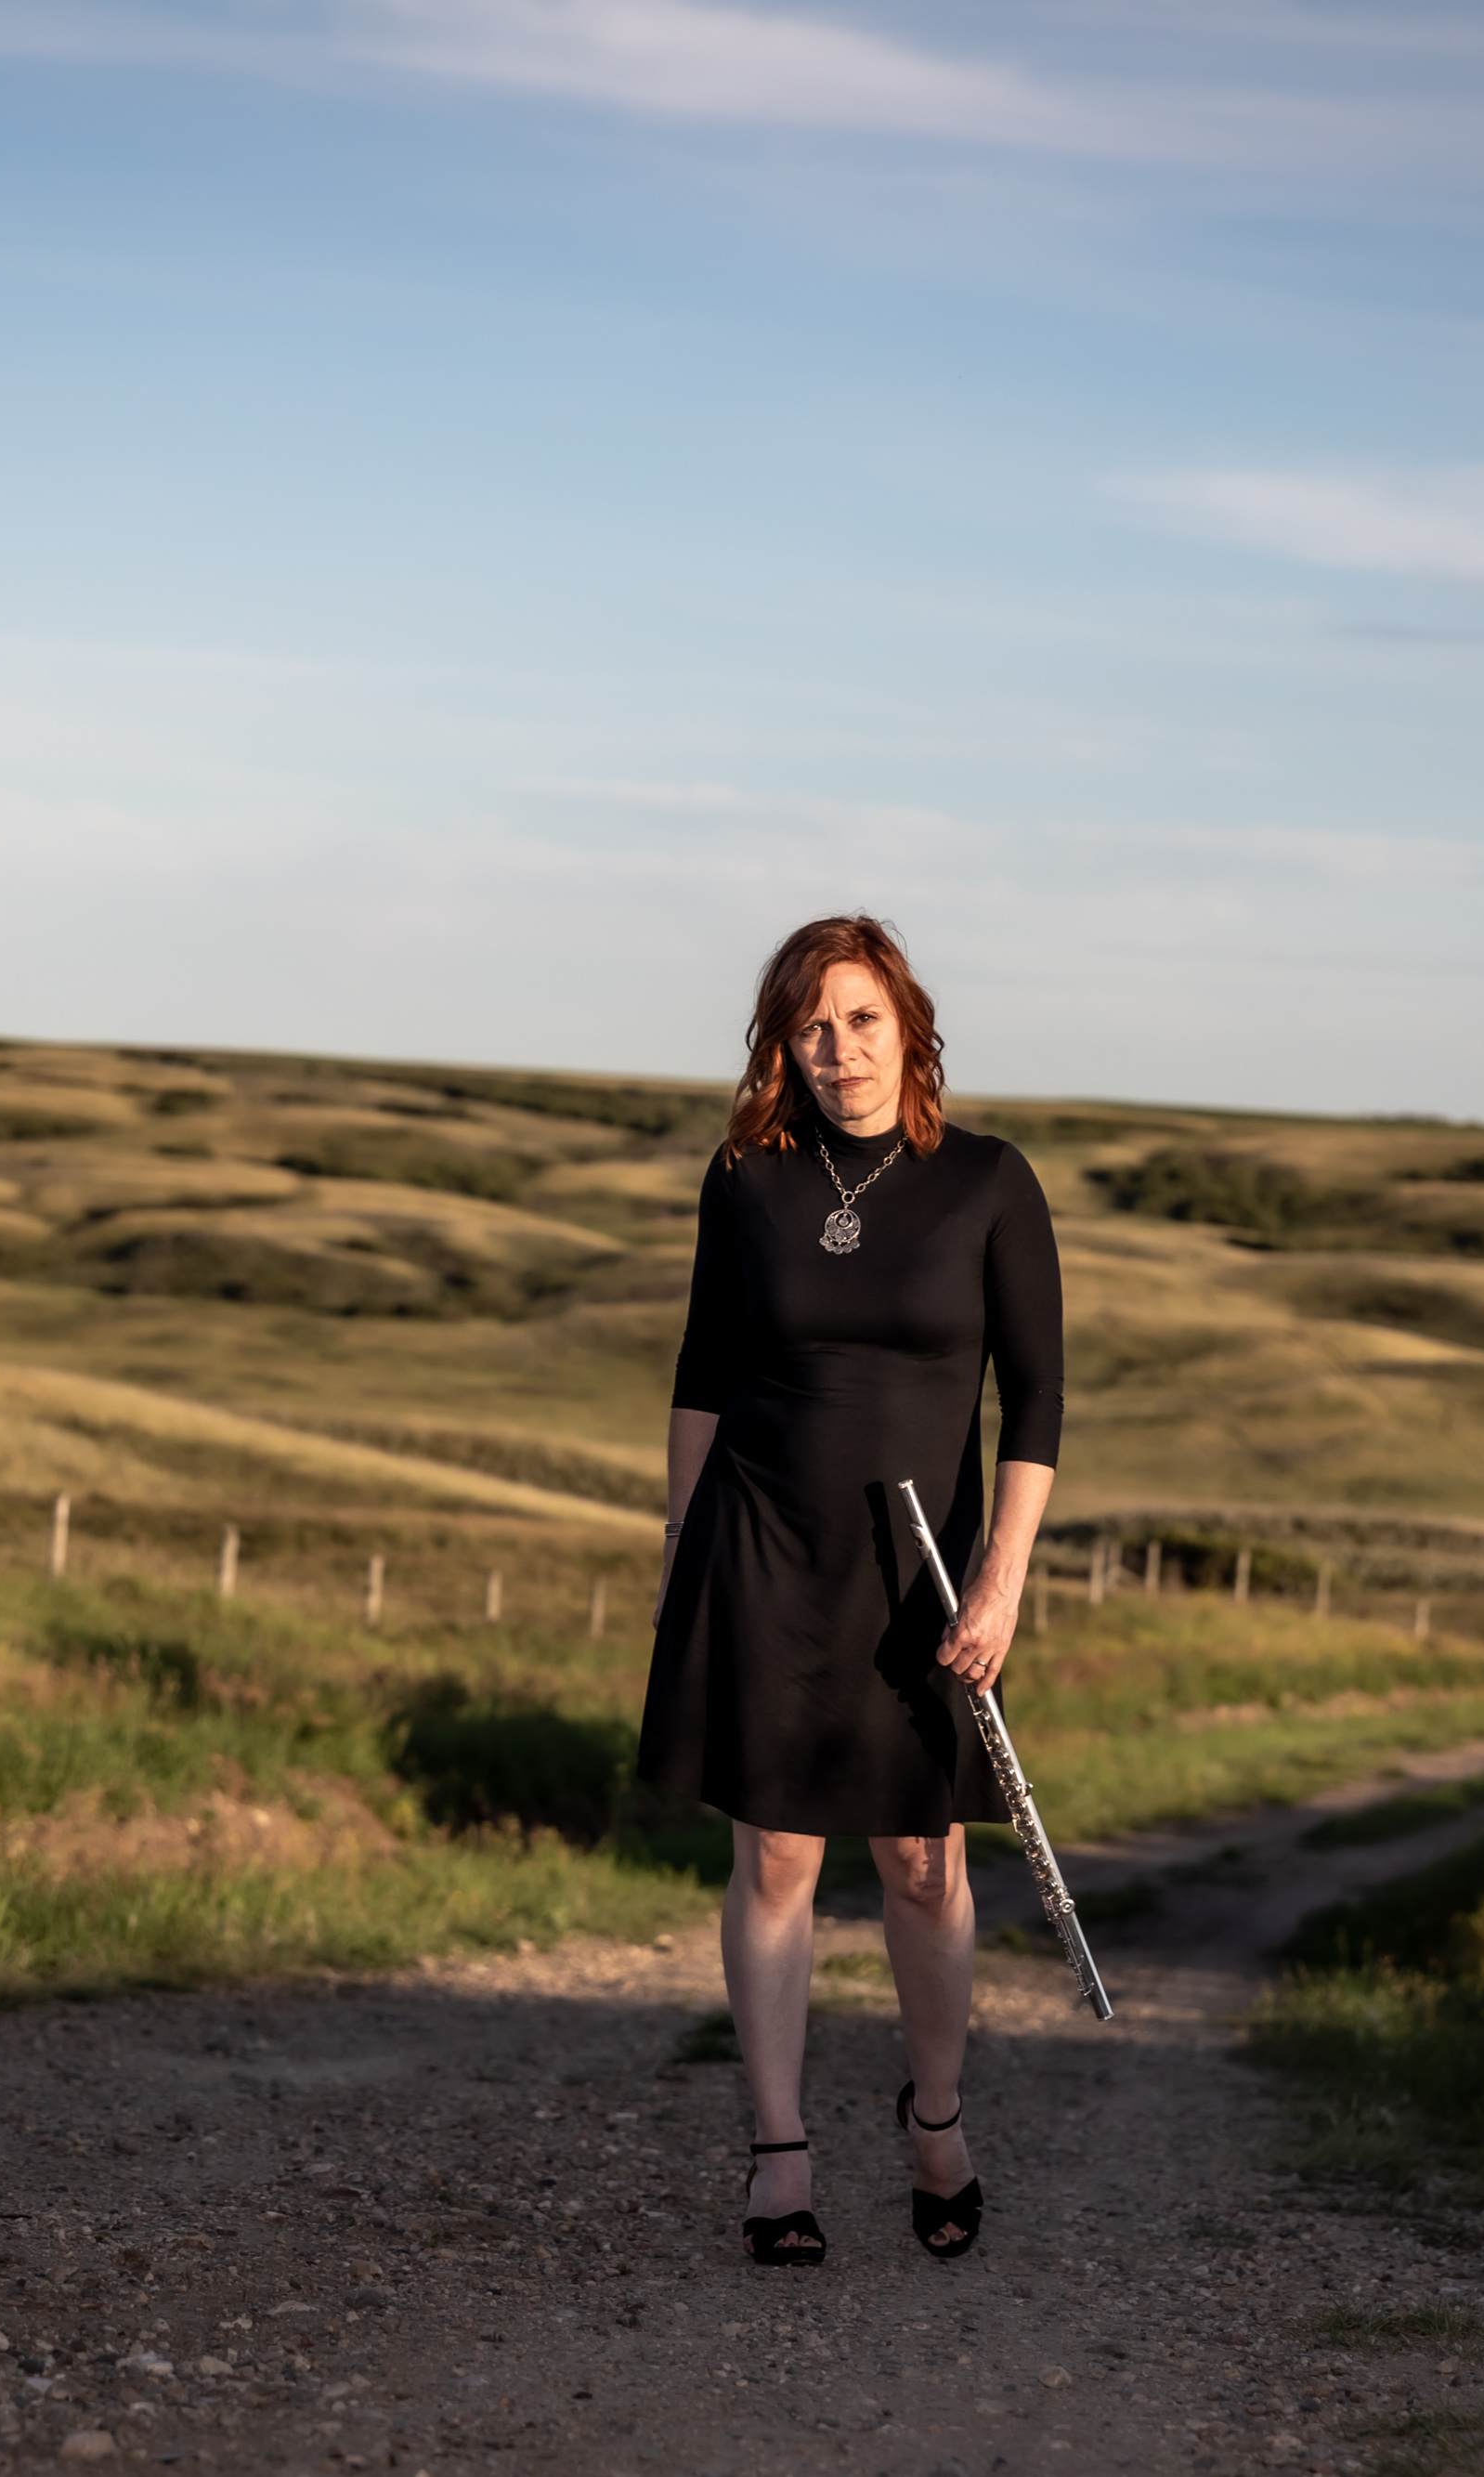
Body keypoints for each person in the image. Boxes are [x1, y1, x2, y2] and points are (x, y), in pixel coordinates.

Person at [636, 914, 1065, 2267]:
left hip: (921, 1572)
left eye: (863, 1018)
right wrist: (678, 1546)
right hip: (761, 1544)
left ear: (908, 1026)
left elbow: (1037, 1398)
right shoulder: (746, 1180)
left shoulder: (989, 1181)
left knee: (922, 1864)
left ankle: (936, 2118)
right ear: (785, 1045)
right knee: (774, 1854)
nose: (839, 1049)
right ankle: (781, 2156)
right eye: (811, 1026)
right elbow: (703, 1370)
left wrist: (1002, 1578)